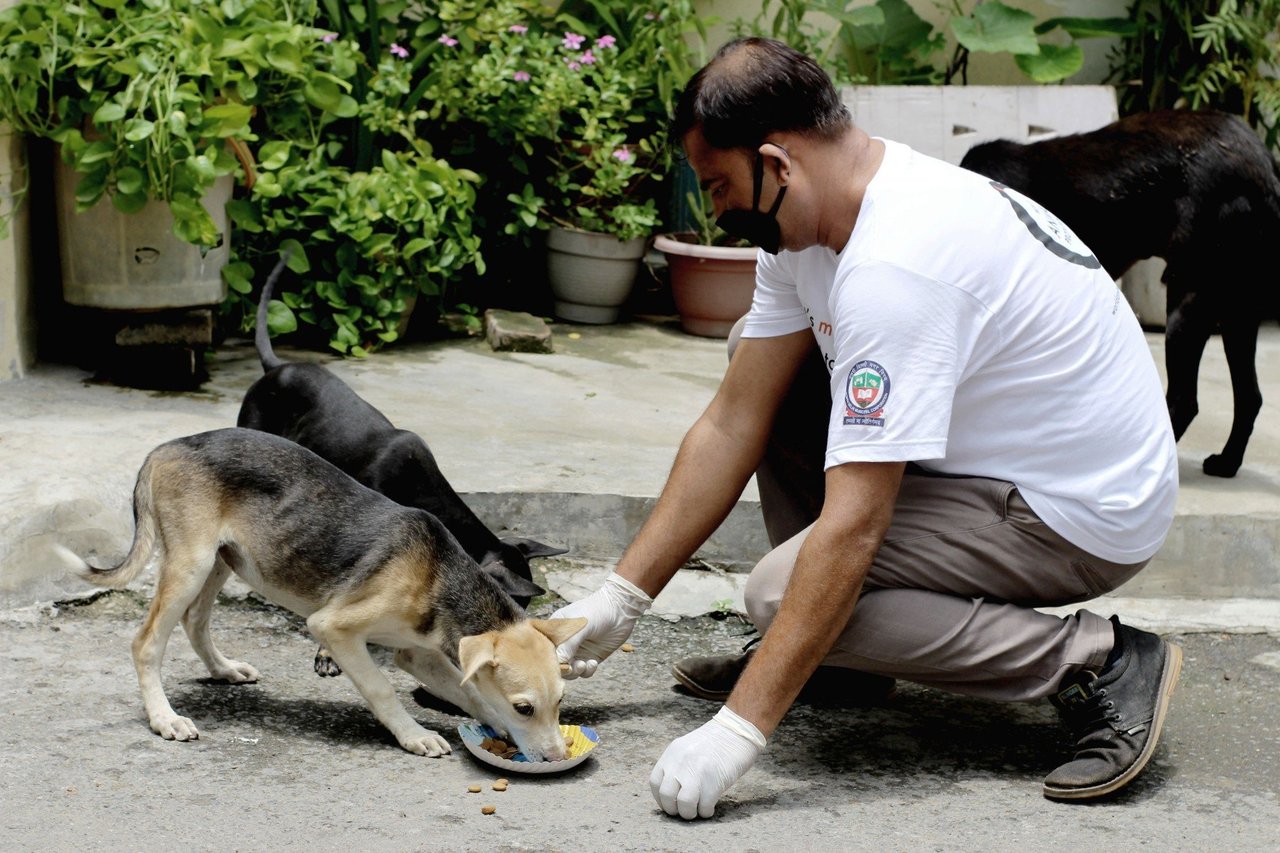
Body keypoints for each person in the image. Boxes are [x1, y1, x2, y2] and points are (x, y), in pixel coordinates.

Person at [550, 36, 1181, 820]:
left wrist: (739, 729)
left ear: (778, 164)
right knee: (762, 357)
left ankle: (1097, 660)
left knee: (781, 594)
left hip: (1079, 506)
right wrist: (620, 597)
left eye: (717, 185)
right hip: (991, 463)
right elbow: (732, 421)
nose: (714, 209)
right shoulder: (817, 218)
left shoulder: (897, 264)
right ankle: (839, 656)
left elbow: (853, 528)